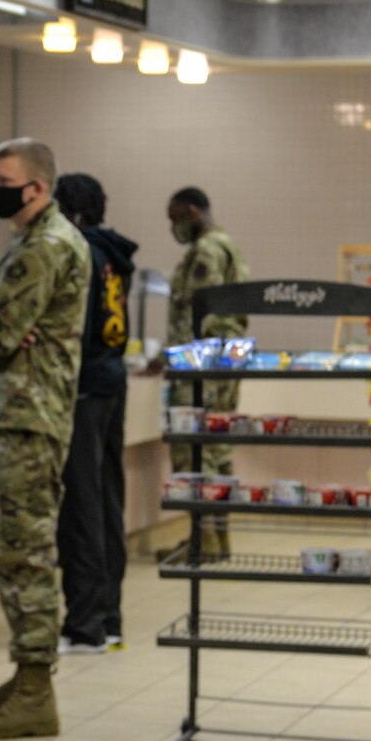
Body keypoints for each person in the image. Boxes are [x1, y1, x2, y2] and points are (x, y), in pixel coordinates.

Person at [0, 138, 89, 739]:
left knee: (25, 552)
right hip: (18, 415)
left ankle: (36, 689)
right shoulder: (34, 241)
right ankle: (27, 671)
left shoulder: (46, 248)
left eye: (5, 180)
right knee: (16, 549)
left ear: (36, 188)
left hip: (25, 417)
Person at [53, 174, 137, 655]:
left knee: (81, 507)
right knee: (107, 502)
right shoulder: (114, 255)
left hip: (83, 389)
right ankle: (109, 617)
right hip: (112, 383)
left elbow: (72, 329)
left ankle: (84, 625)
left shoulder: (76, 249)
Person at [163, 186, 249, 559]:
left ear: (193, 212)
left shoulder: (207, 251)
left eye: (176, 217)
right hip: (225, 360)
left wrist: (175, 359)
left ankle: (206, 541)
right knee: (217, 447)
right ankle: (216, 538)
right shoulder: (228, 245)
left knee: (195, 451)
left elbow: (200, 316)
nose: (174, 227)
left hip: (204, 365)